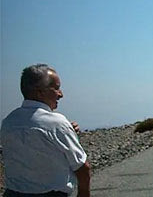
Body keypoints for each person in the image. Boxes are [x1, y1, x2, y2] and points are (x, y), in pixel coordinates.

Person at [1, 64, 90, 197]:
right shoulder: (57, 123)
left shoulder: (9, 121)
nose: (61, 94)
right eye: (56, 88)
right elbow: (83, 168)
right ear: (40, 92)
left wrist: (67, 132)